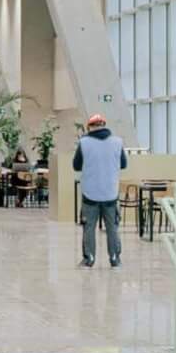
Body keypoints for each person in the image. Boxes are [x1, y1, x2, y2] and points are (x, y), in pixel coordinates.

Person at [73, 113, 127, 268]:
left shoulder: (84, 143)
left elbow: (76, 165)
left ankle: (89, 258)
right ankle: (115, 258)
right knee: (112, 227)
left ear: (90, 127)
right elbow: (123, 164)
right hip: (110, 192)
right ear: (104, 125)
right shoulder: (117, 142)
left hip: (90, 193)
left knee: (89, 227)